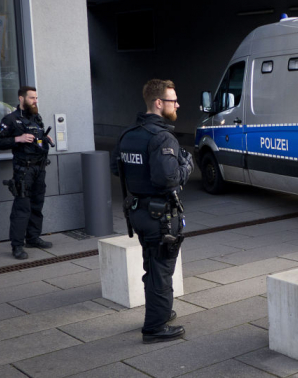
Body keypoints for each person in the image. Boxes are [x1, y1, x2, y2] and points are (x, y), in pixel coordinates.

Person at [111, 79, 193, 344]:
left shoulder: (128, 134)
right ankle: (155, 327)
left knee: (153, 266)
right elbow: (168, 179)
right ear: (159, 103)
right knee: (161, 271)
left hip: (139, 212)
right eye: (173, 100)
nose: (178, 104)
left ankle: (160, 313)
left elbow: (117, 168)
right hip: (160, 216)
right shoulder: (162, 137)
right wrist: (187, 166)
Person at [0, 86, 54, 260]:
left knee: (37, 204)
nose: (35, 101)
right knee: (21, 208)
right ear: (21, 99)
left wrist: (44, 139)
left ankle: (33, 237)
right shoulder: (11, 120)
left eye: (36, 98)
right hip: (23, 170)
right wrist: (17, 139)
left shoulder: (36, 118)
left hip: (39, 169)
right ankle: (17, 246)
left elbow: (36, 139)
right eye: (32, 98)